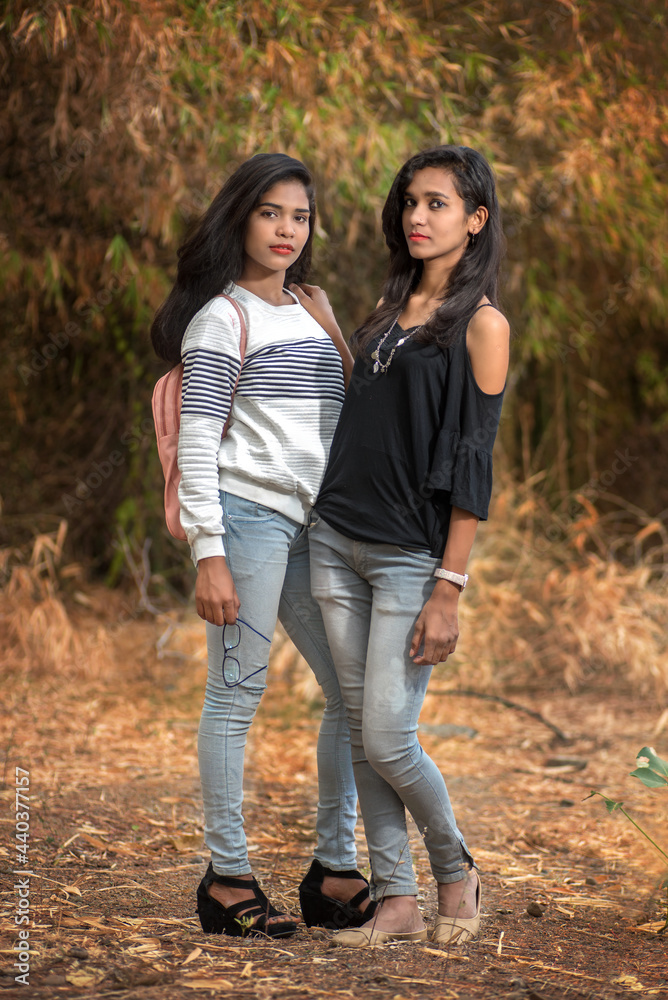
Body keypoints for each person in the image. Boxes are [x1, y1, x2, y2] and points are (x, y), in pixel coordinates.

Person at [150, 153, 374, 938]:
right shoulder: (222, 317)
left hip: (317, 526)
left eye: (300, 216)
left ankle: (334, 870)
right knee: (237, 694)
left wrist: (331, 325)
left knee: (354, 694)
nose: (286, 229)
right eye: (271, 213)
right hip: (246, 520)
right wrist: (208, 550)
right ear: (240, 218)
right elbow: (201, 442)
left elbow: (348, 411)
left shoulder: (312, 308)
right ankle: (227, 877)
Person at [290, 144, 509, 947]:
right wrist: (327, 331)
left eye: (438, 204)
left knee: (386, 733)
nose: (418, 217)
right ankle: (398, 901)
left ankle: (456, 872)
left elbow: (470, 465)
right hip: (334, 540)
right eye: (411, 202)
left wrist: (449, 587)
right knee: (357, 730)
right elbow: (368, 408)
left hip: (408, 559)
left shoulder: (482, 326)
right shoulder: (388, 308)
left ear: (475, 219)